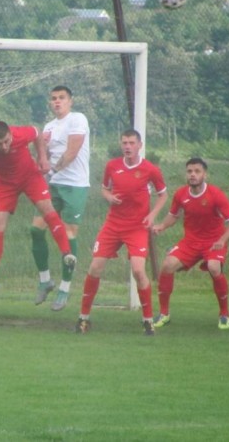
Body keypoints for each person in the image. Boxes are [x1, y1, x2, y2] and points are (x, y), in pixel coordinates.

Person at [76, 129, 167, 336]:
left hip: (137, 227)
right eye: (124, 143)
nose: (127, 146)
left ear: (139, 145)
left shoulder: (150, 169)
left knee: (138, 270)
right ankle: (83, 318)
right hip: (113, 225)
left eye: (131, 143)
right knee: (95, 267)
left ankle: (147, 321)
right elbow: (104, 188)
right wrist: (109, 197)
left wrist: (152, 215)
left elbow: (163, 195)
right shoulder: (112, 166)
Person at [0, 121, 76, 293]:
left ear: (11, 135)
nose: (4, 147)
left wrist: (42, 157)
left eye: (6, 141)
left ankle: (66, 253)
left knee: (47, 210)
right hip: (3, 184)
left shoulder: (20, 134)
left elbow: (37, 132)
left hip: (30, 177)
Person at [152, 157, 229, 330]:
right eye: (189, 171)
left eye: (197, 171)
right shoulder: (181, 194)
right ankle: (164, 314)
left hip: (214, 242)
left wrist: (222, 240)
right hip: (190, 242)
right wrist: (162, 225)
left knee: (214, 267)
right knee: (167, 264)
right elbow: (173, 215)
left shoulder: (215, 194)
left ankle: (224, 314)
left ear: (205, 175)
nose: (192, 174)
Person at [29, 85, 90, 311]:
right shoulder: (49, 126)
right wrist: (40, 151)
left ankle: (65, 287)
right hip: (52, 184)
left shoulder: (77, 119)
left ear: (70, 101)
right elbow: (43, 156)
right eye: (53, 98)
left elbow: (72, 152)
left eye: (62, 98)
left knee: (68, 233)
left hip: (74, 185)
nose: (57, 101)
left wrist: (52, 171)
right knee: (36, 229)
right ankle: (45, 280)